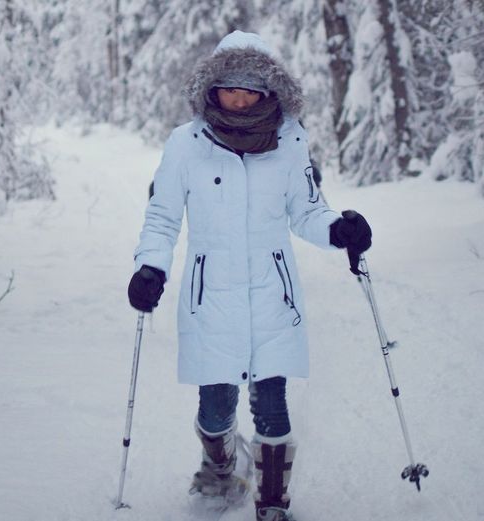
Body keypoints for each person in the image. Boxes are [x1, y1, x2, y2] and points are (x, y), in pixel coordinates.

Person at [127, 31, 372, 521]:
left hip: (271, 295)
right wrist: (150, 266)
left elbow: (307, 212)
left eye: (249, 90)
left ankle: (272, 501)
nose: (238, 99)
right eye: (228, 89)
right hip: (210, 296)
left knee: (272, 406)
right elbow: (162, 217)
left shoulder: (289, 141)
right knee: (216, 407)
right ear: (211, 90)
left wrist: (338, 230)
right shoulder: (185, 144)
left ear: (268, 92)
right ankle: (218, 468)